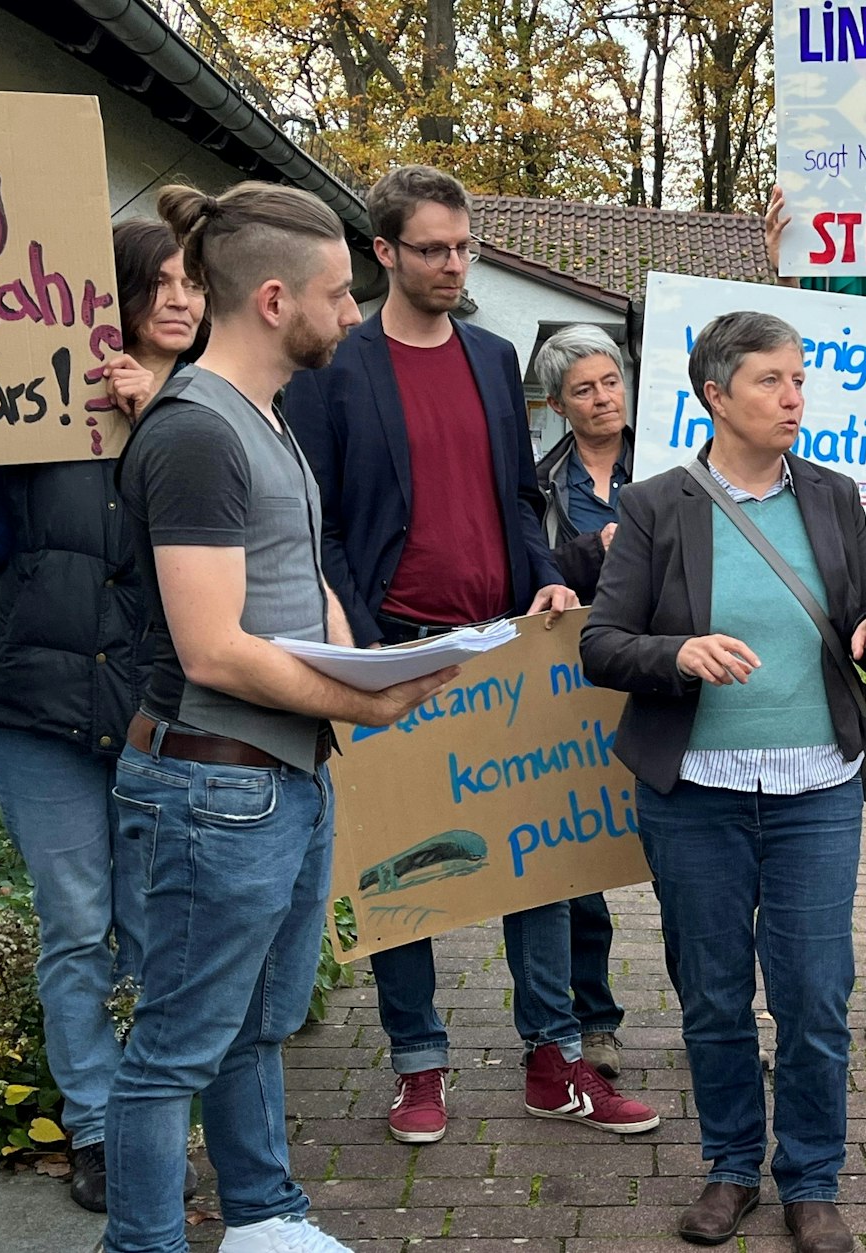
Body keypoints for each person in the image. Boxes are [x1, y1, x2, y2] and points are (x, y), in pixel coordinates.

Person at [105, 180, 457, 1253]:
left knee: (257, 1027)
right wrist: (370, 697)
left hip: (276, 782)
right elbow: (214, 645)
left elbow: (295, 580)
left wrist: (368, 662)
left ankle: (262, 1216)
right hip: (213, 785)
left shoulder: (263, 417)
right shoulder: (198, 432)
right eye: (337, 294)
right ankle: (143, 1242)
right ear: (271, 299)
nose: (353, 314)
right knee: (173, 1046)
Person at [283, 165, 657, 1142]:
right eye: (432, 249)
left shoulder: (494, 358)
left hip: (503, 644)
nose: (454, 263)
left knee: (536, 864)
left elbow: (514, 499)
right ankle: (417, 1065)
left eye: (463, 245)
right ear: (384, 253)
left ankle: (554, 1056)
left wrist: (545, 574)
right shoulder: (336, 369)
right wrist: (350, 639)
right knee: (407, 872)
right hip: (392, 649)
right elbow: (318, 520)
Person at [582, 310, 866, 1253]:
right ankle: (732, 1165)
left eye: (798, 378)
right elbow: (604, 645)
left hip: (817, 787)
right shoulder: (653, 505)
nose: (795, 396)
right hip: (696, 794)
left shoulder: (835, 495)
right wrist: (679, 651)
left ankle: (811, 1178)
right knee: (714, 992)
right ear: (715, 396)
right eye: (771, 380)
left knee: (813, 991)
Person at [0, 218, 203, 1213]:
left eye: (197, 282)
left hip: (158, 710)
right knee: (75, 925)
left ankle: (152, 1113)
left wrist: (154, 426)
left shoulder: (210, 414)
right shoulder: (38, 405)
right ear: (117, 294)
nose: (184, 299)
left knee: (152, 927)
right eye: (164, 282)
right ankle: (98, 1128)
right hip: (41, 713)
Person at [532, 322, 642, 1074]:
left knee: (688, 858)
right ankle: (594, 1016)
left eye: (610, 381)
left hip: (667, 672)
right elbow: (538, 570)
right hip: (580, 681)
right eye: (584, 389)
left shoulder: (672, 457)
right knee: (582, 856)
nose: (603, 398)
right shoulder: (543, 482)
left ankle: (721, 1018)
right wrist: (586, 553)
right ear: (558, 404)